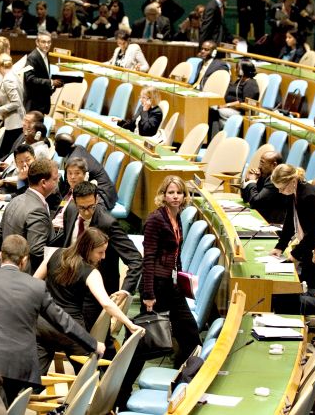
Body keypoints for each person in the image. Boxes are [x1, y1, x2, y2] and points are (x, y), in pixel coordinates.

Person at [0, 235, 103, 402]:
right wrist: (93, 343)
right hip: (22, 367)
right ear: (24, 260)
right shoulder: (36, 287)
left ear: (0, 256)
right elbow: (62, 320)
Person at [116, 176, 202, 410]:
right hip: (157, 287)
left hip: (172, 286)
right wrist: (148, 295)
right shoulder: (156, 219)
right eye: (171, 192)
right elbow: (149, 259)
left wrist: (182, 278)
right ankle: (120, 395)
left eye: (179, 193)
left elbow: (176, 253)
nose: (175, 196)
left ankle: (184, 388)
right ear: (163, 195)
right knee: (144, 345)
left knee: (190, 336)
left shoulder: (177, 217)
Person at [34, 227, 140, 373]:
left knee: (35, 378)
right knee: (89, 374)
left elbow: (34, 283)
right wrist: (129, 324)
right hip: (70, 330)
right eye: (100, 252)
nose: (103, 257)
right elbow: (106, 303)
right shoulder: (91, 272)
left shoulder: (55, 254)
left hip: (42, 326)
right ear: (87, 249)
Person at [50, 181, 144, 328]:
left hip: (96, 292)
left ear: (97, 200)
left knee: (94, 333)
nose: (87, 212)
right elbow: (67, 245)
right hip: (71, 287)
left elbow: (135, 259)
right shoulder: (70, 211)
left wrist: (125, 290)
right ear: (74, 202)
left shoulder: (108, 224)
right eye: (82, 207)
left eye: (91, 207)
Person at [0, 159, 58, 271]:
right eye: (55, 179)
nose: (57, 182)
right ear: (43, 183)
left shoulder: (15, 200)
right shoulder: (37, 210)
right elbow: (37, 251)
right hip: (25, 278)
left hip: (6, 272)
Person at [53, 134, 119, 209]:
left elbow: (68, 186)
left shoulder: (73, 160)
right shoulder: (78, 147)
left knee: (68, 207)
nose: (54, 146)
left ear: (63, 147)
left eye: (56, 144)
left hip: (102, 194)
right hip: (105, 190)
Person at [0, 53, 25, 160]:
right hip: (17, 120)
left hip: (13, 122)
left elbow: (16, 102)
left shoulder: (8, 80)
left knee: (7, 153)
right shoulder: (14, 75)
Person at [211, 59, 259, 135]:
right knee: (211, 110)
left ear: (243, 70)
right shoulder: (239, 81)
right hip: (231, 108)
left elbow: (245, 102)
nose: (235, 69)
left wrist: (227, 105)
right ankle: (212, 137)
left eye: (237, 68)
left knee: (218, 112)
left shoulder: (251, 84)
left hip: (241, 111)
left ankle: (222, 135)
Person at [242, 151, 289, 224]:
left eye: (262, 163)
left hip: (273, 224)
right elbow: (245, 199)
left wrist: (252, 181)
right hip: (262, 218)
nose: (259, 167)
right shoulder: (264, 174)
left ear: (274, 165)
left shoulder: (275, 180)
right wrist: (247, 180)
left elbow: (255, 202)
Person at [24, 32, 62, 114]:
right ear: (37, 42)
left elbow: (43, 77)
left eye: (49, 42)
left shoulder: (45, 56)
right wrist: (51, 82)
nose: (47, 45)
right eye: (43, 42)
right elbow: (29, 79)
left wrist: (53, 85)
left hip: (41, 103)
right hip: (34, 104)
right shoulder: (32, 57)